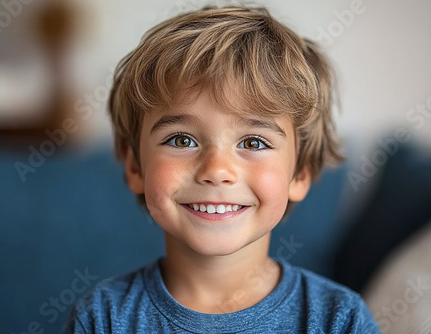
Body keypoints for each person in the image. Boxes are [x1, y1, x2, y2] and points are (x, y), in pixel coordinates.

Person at [62, 6, 380, 333]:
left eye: (254, 143)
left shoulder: (340, 320)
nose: (217, 170)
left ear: (300, 173)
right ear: (135, 166)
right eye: (182, 140)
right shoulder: (102, 318)